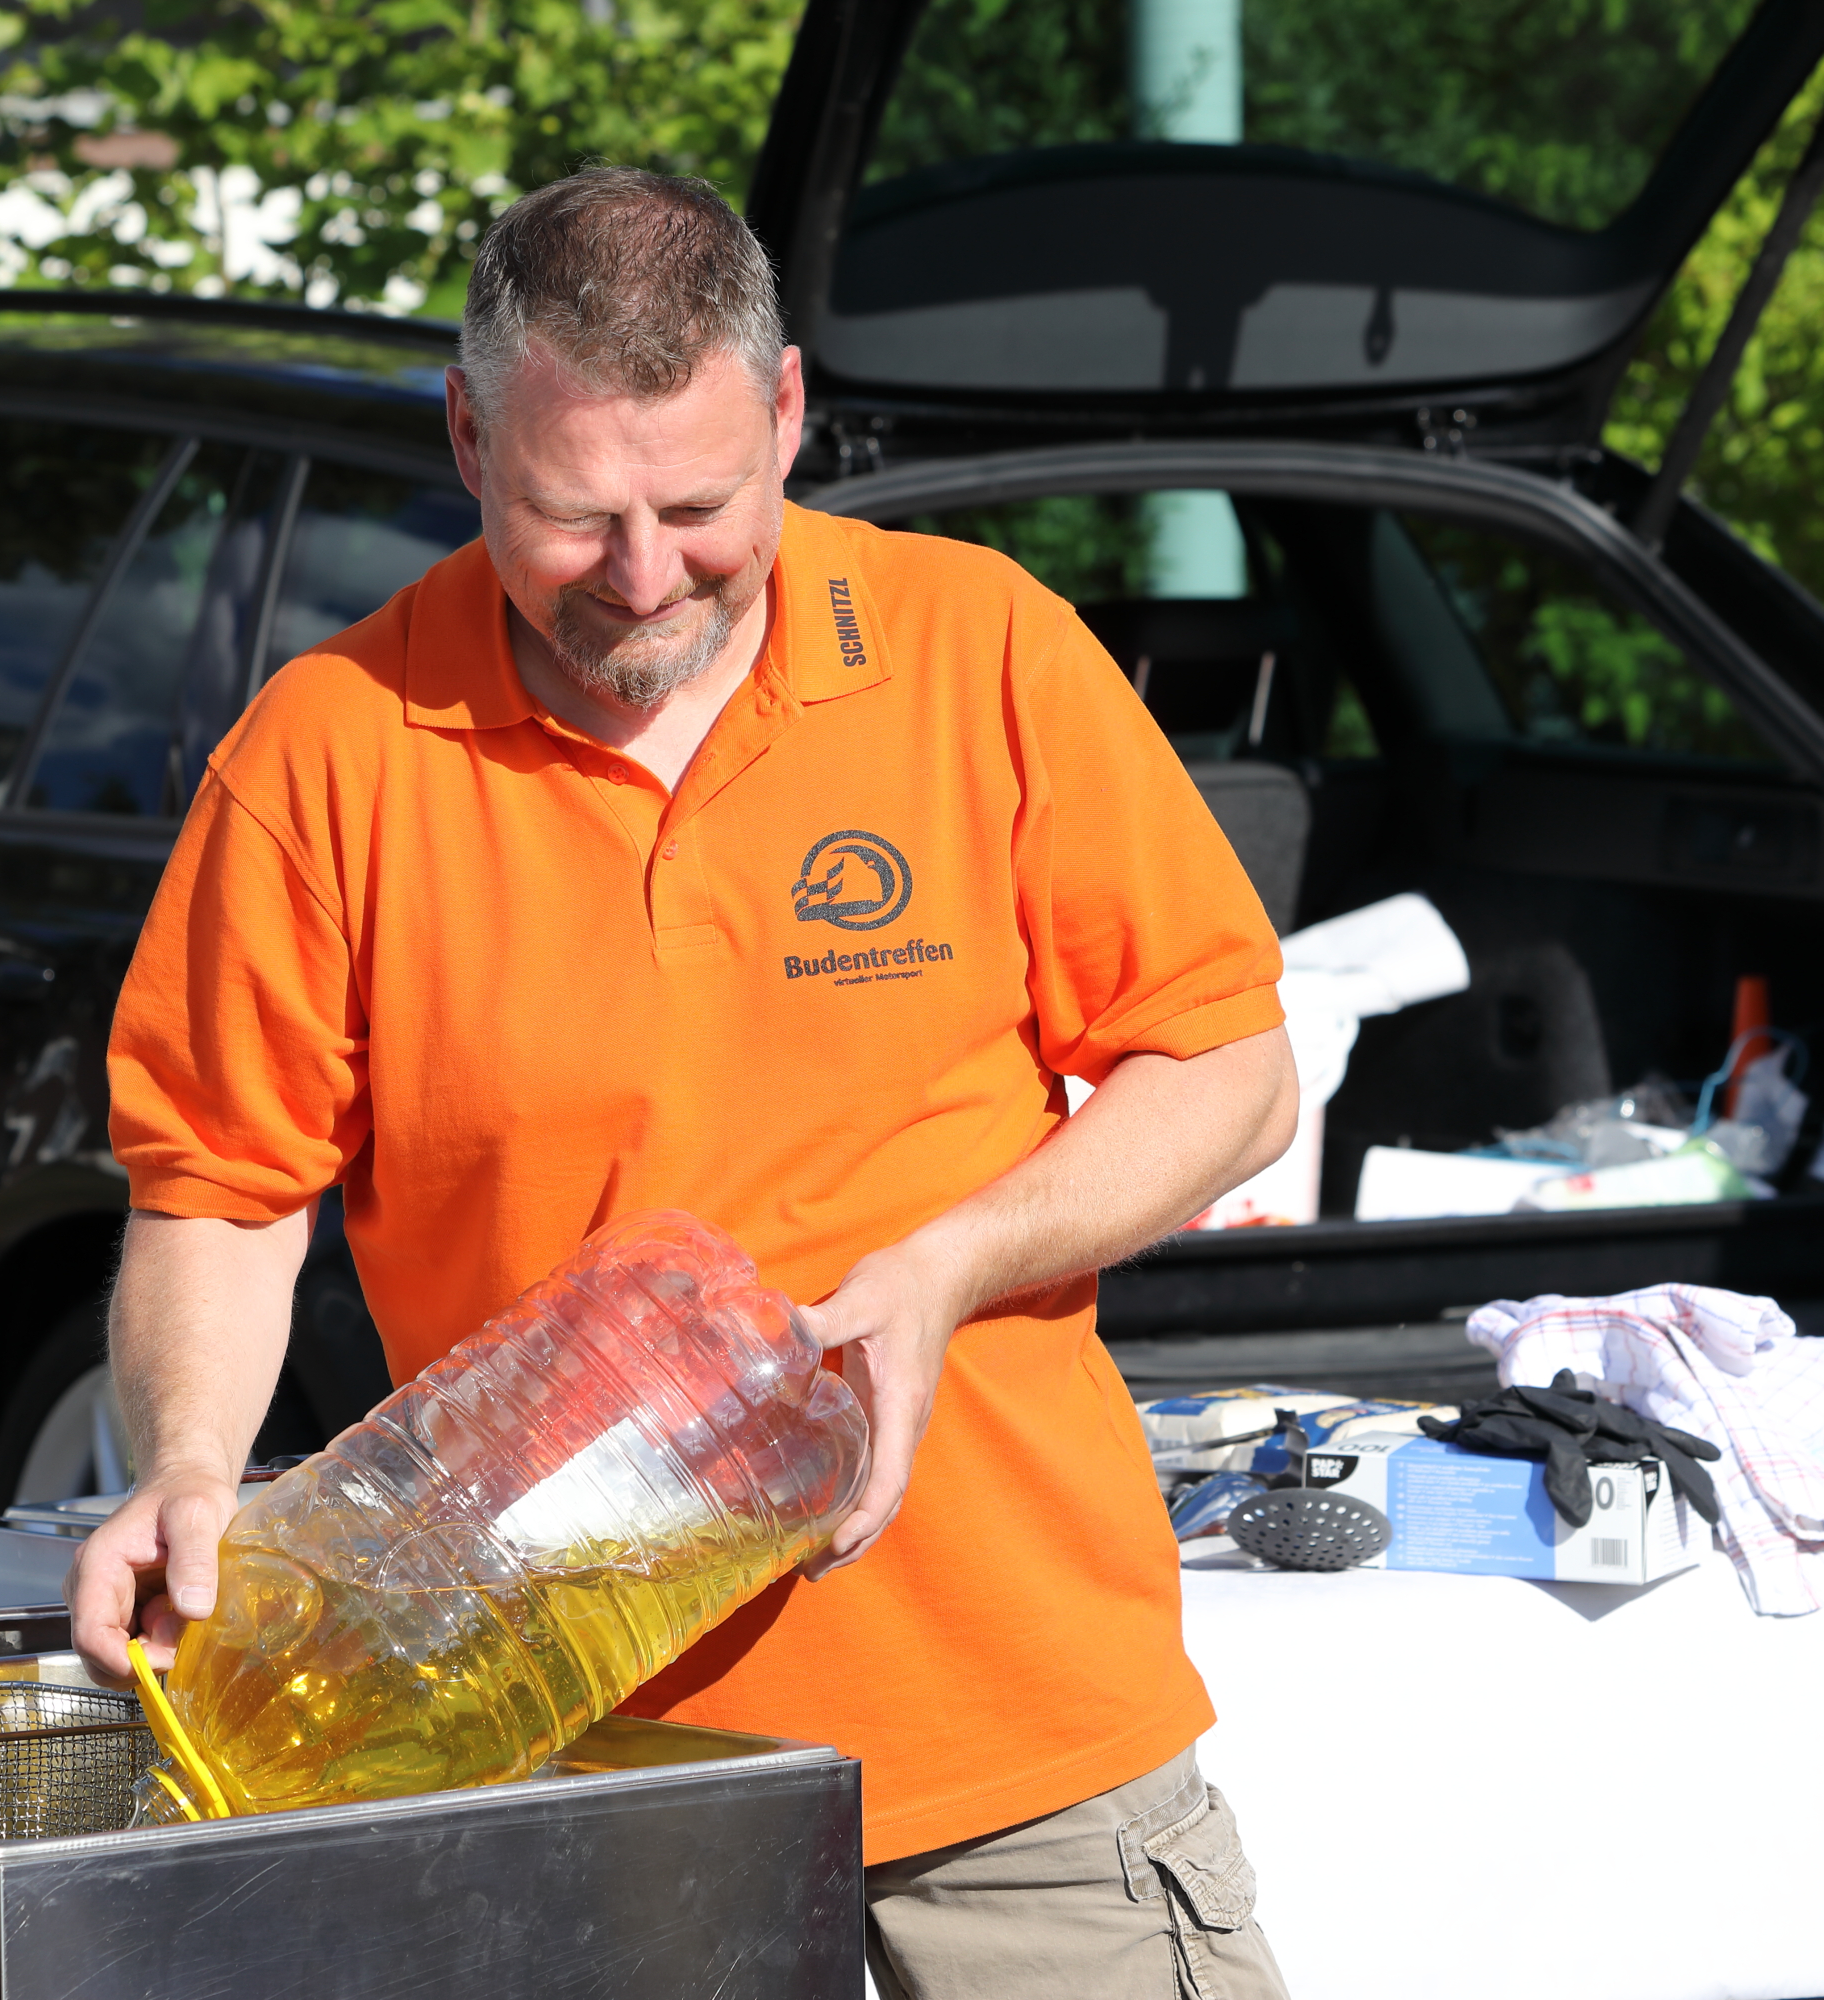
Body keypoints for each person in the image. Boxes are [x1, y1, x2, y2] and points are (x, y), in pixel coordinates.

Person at [70, 165, 1300, 2000]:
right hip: (573, 1799)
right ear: (469, 436)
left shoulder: (980, 648)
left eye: (702, 508)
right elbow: (223, 1192)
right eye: (574, 518)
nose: (644, 579)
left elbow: (1230, 1065)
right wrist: (184, 1468)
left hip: (1028, 1762)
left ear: (788, 412)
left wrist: (949, 1267)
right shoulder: (330, 753)